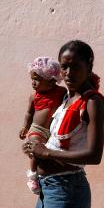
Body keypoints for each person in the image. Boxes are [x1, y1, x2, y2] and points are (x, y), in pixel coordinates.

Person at [22, 40, 104, 208]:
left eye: (75, 66)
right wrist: (34, 148)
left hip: (66, 189)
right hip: (49, 187)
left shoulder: (91, 102)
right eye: (64, 67)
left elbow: (94, 155)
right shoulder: (66, 99)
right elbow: (57, 141)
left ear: (89, 66)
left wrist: (47, 153)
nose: (68, 72)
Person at [20, 57, 67, 194]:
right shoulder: (34, 96)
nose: (33, 83)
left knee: (47, 154)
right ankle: (33, 175)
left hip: (52, 131)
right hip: (37, 129)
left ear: (51, 79)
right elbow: (29, 114)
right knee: (35, 147)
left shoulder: (61, 92)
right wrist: (25, 127)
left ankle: (45, 176)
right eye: (32, 79)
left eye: (37, 79)